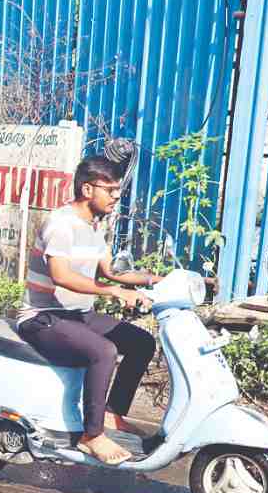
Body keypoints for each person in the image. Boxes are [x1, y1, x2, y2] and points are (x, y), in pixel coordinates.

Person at [17, 156, 161, 465]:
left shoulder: (97, 226)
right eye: (110, 190)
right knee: (104, 351)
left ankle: (110, 415)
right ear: (86, 189)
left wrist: (160, 281)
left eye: (118, 190)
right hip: (43, 318)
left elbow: (111, 272)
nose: (116, 197)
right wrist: (111, 291)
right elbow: (62, 276)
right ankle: (91, 436)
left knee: (141, 342)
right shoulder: (60, 224)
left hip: (77, 316)